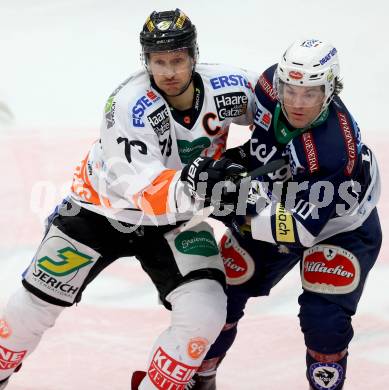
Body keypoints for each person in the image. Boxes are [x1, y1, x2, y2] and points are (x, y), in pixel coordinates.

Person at [0, 9, 258, 390]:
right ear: (146, 61)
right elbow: (147, 192)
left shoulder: (231, 86)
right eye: (159, 62)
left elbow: (281, 109)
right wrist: (210, 186)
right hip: (99, 213)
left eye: (178, 60)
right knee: (31, 309)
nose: (169, 71)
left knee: (205, 313)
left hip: (173, 223)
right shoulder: (129, 105)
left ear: (193, 55)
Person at [185, 39, 382, 389]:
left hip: (338, 229)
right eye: (290, 90)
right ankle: (201, 380)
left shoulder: (334, 150)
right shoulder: (266, 86)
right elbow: (247, 130)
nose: (296, 103)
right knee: (219, 293)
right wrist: (221, 162)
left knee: (324, 323)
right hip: (275, 200)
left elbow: (299, 231)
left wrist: (226, 202)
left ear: (331, 90)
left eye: (310, 93)